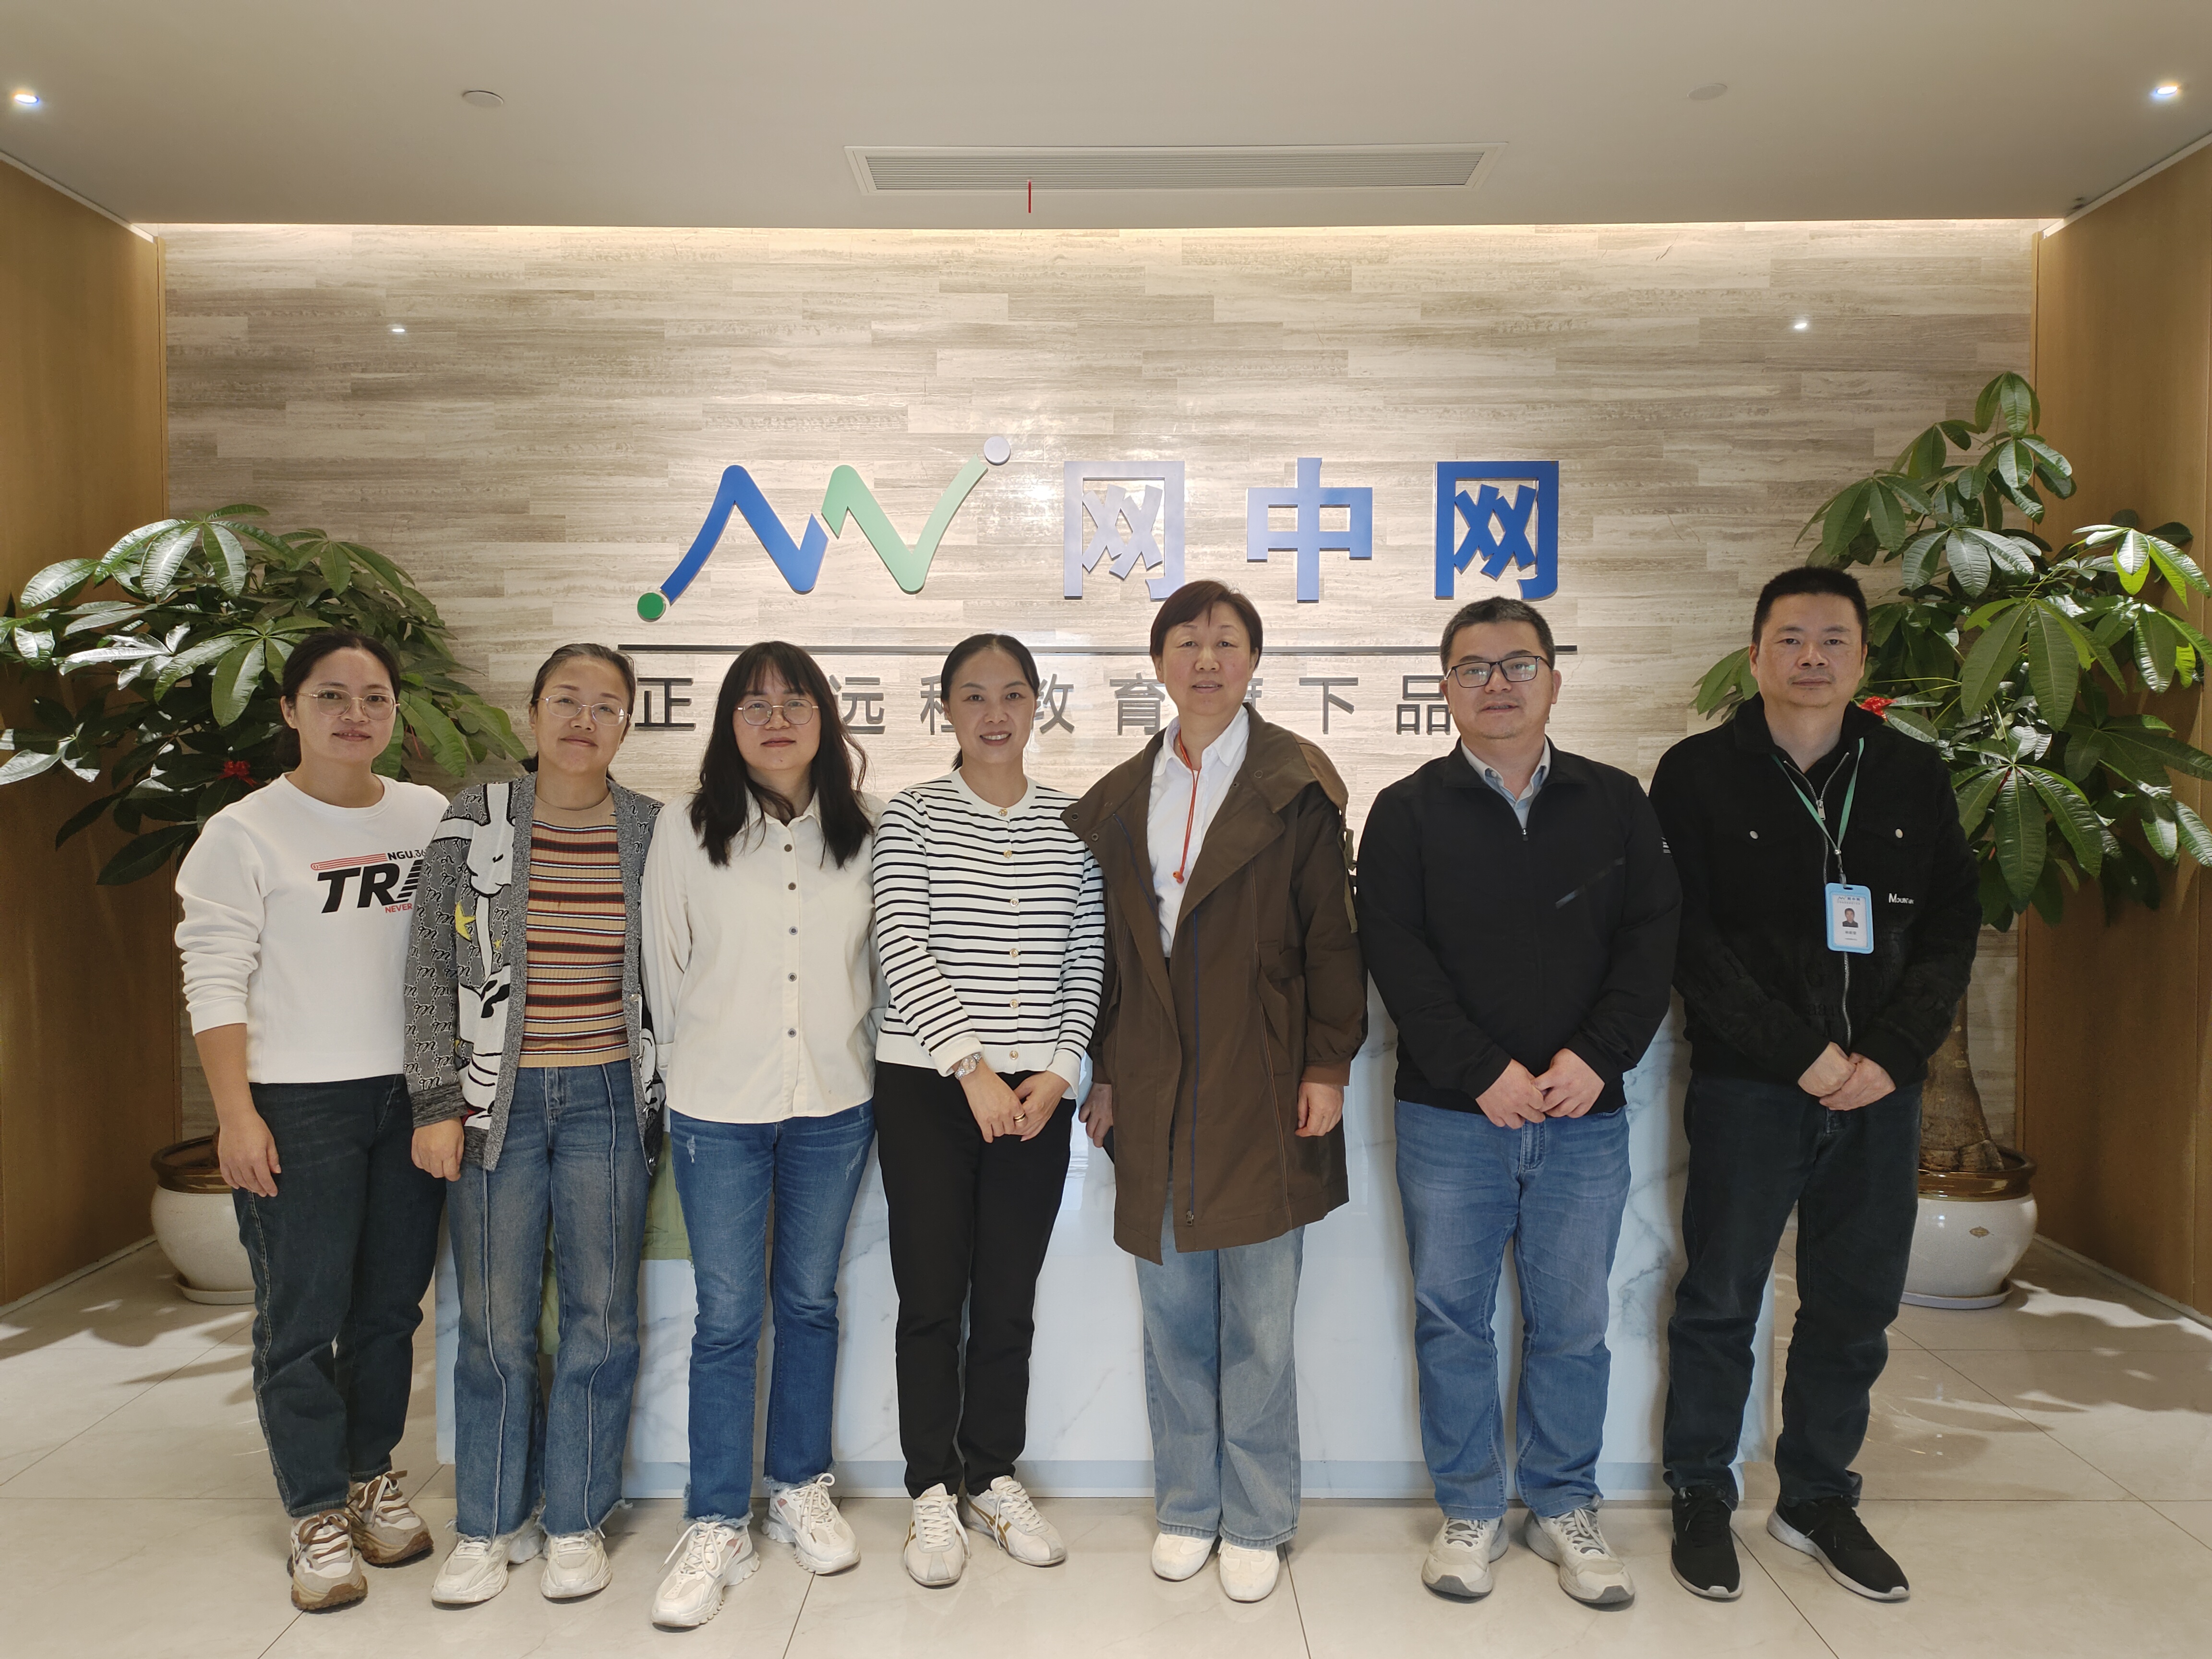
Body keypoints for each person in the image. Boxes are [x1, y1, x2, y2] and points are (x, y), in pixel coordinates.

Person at [1653, 565, 1979, 1605]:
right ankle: (1703, 1490)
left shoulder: (1912, 774)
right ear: (1754, 655)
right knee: (1721, 1298)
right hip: (1752, 1087)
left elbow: (1952, 926)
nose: (1811, 658)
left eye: (1834, 640)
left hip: (1880, 1092)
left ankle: (1818, 1496)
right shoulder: (1697, 774)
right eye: (1791, 638)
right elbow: (1686, 937)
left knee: (1854, 1305)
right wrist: (1798, 1051)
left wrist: (1893, 1052)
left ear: (1862, 659)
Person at [1358, 597, 1680, 1609]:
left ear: (1553, 678)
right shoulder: (1406, 811)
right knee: (1452, 1321)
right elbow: (1397, 957)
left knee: (1574, 1323)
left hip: (1585, 1116)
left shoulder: (1616, 802)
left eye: (1518, 664)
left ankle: (1563, 1504)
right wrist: (1481, 1070)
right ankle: (1469, 1510)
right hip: (1452, 1119)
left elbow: (1652, 941)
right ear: (1444, 688)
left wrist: (1597, 1057)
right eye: (1474, 668)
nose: (1497, 684)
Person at [1065, 579, 1367, 1604]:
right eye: (1187, 643)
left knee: (1262, 1328)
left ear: (1253, 663)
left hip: (1264, 1078)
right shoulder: (1119, 798)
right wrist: (1106, 1071)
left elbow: (1333, 938)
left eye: (1227, 642)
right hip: (1154, 1083)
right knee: (1174, 1320)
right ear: (1158, 663)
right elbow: (1108, 957)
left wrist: (1327, 1064)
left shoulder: (1295, 784)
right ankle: (1190, 1506)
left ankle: (1260, 1515)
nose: (1206, 660)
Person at [174, 628, 449, 1613]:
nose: (354, 715)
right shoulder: (244, 832)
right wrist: (236, 1113)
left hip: (412, 1095)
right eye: (331, 696)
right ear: (290, 710)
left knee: (390, 1309)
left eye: (374, 698)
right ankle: (315, 1509)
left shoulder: (428, 817)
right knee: (302, 1315)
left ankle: (371, 1473)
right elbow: (214, 975)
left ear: (395, 713)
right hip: (298, 1102)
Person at [404, 644, 663, 1607]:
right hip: (492, 1105)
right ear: (533, 711)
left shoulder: (651, 830)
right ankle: (486, 1524)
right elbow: (429, 967)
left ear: (628, 723)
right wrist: (436, 1102)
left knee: (602, 1318)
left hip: (609, 1099)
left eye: (606, 706)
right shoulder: (476, 818)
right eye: (566, 700)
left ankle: (576, 1521)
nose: (583, 720)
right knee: (494, 1323)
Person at [641, 642, 882, 1630]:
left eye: (794, 702)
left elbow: (881, 967)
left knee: (811, 1303)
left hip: (835, 1101)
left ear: (825, 718)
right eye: (753, 704)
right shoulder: (685, 827)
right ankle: (715, 1521)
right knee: (729, 1317)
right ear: (727, 725)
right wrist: (686, 1074)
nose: (775, 720)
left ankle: (797, 1487)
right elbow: (663, 966)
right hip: (718, 1108)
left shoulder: (866, 831)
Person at [871, 633, 1106, 1587]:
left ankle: (992, 1476)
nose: (995, 713)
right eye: (974, 696)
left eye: (1013, 694)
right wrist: (969, 1068)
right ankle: (931, 1488)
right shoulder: (911, 817)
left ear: (1038, 704)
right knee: (932, 1297)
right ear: (947, 710)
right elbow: (901, 945)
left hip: (1036, 1095)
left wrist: (1060, 1069)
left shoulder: (1075, 824)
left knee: (1008, 1298)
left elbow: (1087, 955)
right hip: (929, 1088)